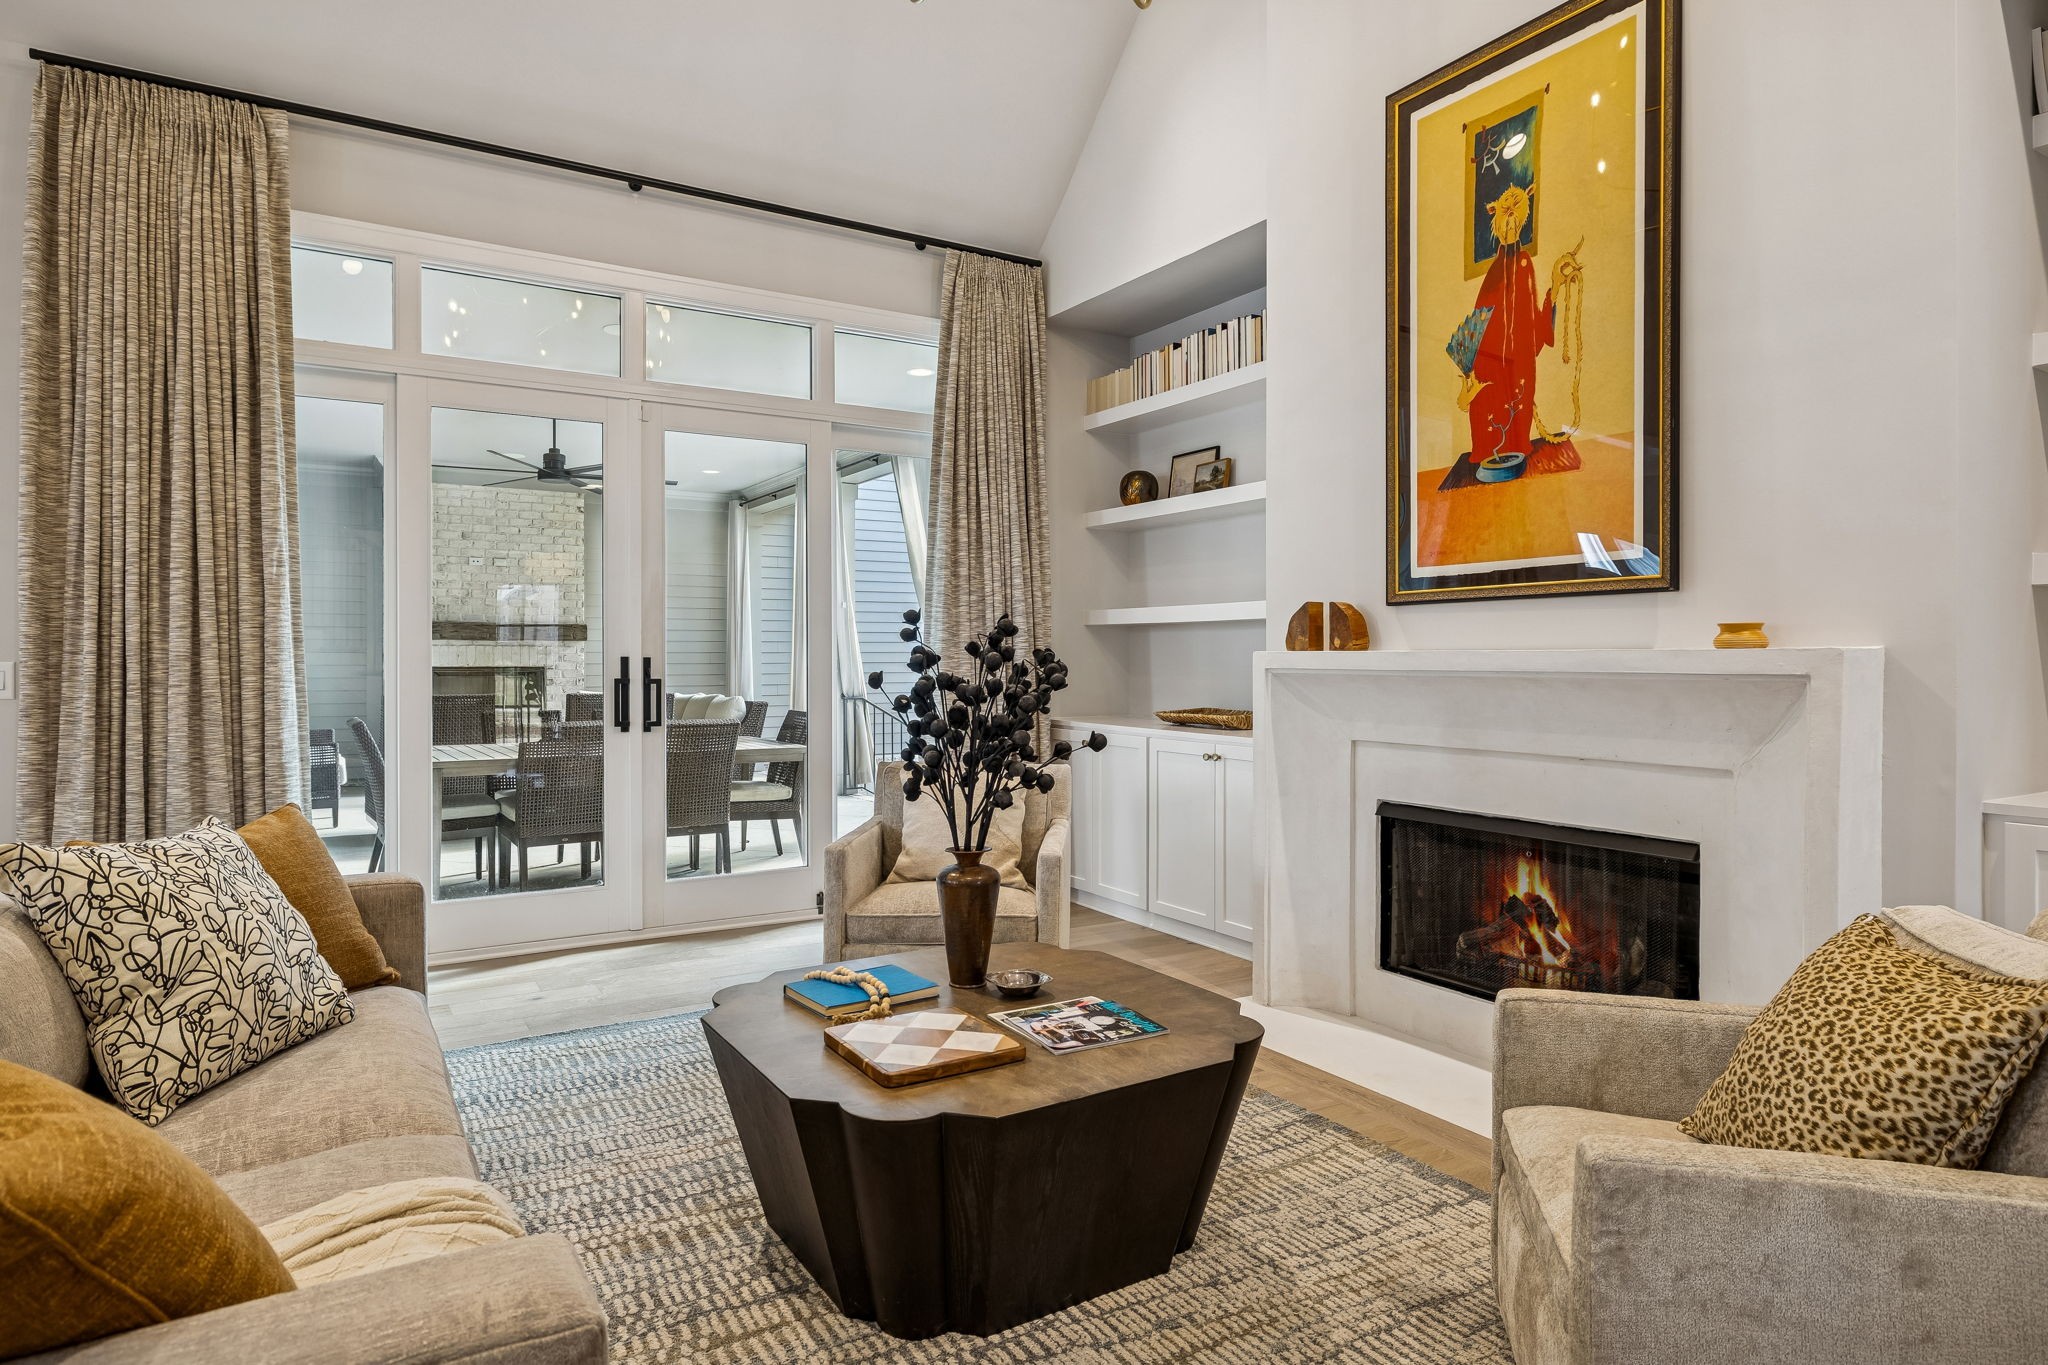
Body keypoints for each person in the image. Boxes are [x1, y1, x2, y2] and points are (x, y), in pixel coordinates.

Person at [1451, 182, 1581, 468]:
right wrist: (1471, 373)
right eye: (1504, 213)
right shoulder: (1494, 272)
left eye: (1515, 212)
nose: (1509, 219)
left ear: (1522, 219)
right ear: (1495, 218)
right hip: (1488, 366)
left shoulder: (1524, 264)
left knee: (1514, 427)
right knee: (1487, 425)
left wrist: (1555, 288)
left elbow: (1532, 324)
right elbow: (1480, 321)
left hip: (1517, 364)